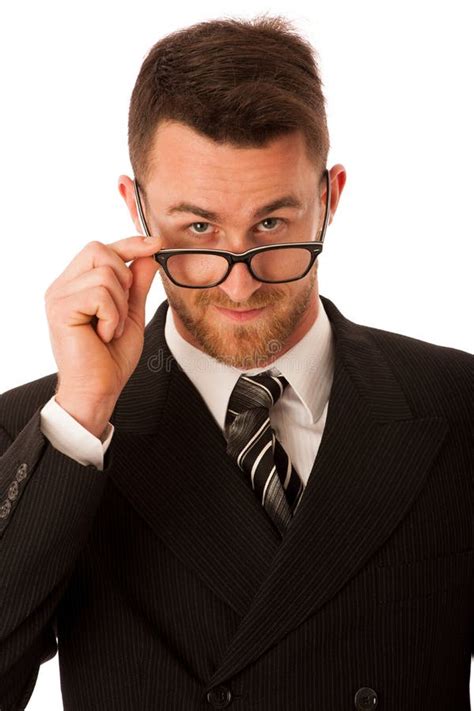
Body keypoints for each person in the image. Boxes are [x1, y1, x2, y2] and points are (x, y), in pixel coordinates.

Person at [0, 14, 472, 711]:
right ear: (136, 209)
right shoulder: (41, 433)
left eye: (272, 226)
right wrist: (79, 418)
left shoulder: (458, 406)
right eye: (198, 229)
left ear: (329, 199)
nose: (239, 282)